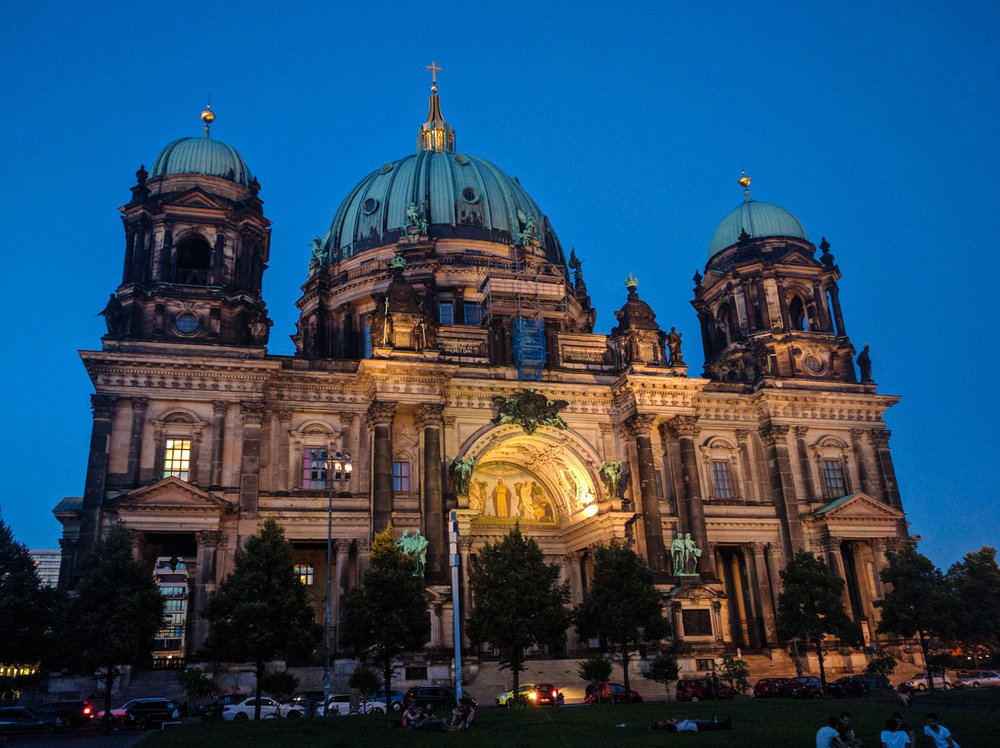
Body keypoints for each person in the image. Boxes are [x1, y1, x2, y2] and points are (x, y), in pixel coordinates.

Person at [652, 716, 732, 732]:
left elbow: (678, 723)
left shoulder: (673, 726)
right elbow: (682, 726)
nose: (663, 722)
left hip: (695, 726)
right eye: (660, 723)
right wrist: (685, 721)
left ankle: (725, 724)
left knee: (712, 726)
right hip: (695, 727)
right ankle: (725, 725)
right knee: (711, 727)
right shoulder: (673, 728)